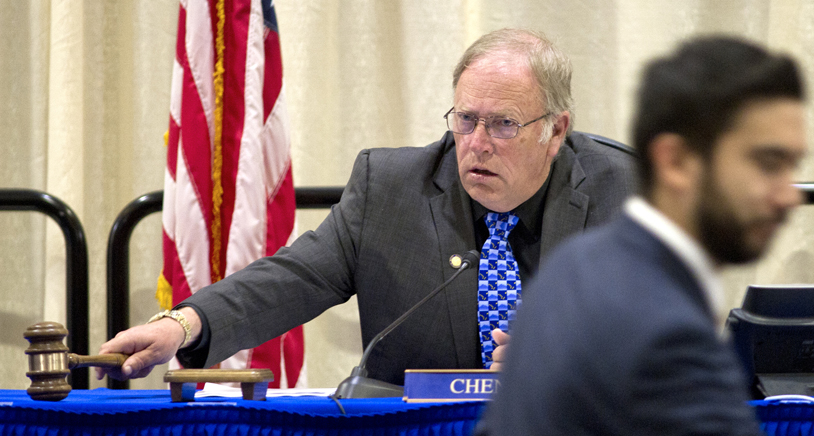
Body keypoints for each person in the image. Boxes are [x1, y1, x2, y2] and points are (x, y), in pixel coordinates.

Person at [96, 28, 636, 386]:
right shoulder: (391, 188)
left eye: (504, 124)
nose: (477, 143)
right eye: (465, 119)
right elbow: (294, 277)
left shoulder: (625, 194)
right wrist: (182, 325)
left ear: (556, 130)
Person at [481, 36, 807, 435]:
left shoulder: (572, 266)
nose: (790, 196)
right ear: (677, 162)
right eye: (768, 163)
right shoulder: (668, 335)